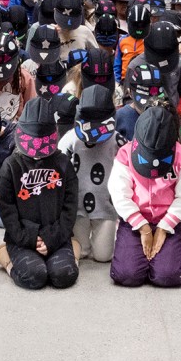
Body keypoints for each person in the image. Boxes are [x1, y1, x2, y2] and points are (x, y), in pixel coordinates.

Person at [0, 98, 81, 290]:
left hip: (57, 235)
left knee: (64, 276)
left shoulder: (64, 164)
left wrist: (53, 238)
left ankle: (74, 249)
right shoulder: (10, 166)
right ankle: (5, 258)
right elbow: (7, 211)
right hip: (21, 237)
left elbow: (70, 207)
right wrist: (29, 238)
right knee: (34, 277)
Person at [108, 104, 181, 288]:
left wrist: (164, 227)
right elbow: (119, 193)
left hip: (169, 221)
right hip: (135, 220)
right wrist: (143, 227)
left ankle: (174, 248)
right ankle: (144, 252)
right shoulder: (125, 153)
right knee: (126, 275)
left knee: (167, 277)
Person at [61, 85, 121, 263]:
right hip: (78, 204)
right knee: (81, 251)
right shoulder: (73, 136)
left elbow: (129, 164)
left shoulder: (116, 139)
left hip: (106, 205)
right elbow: (58, 159)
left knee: (103, 256)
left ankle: (115, 235)